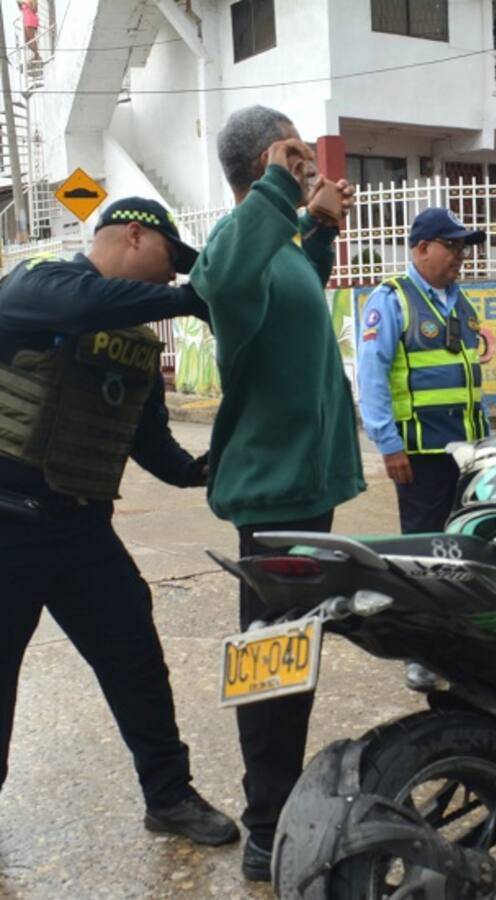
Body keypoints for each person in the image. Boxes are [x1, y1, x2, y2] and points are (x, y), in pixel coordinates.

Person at [0, 198, 237, 846]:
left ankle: (169, 797)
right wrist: (191, 300)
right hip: (7, 527)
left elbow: (150, 443)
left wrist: (201, 469)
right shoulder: (37, 283)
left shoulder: (134, 343)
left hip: (81, 534)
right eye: (167, 264)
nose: (169, 281)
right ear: (133, 235)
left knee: (136, 660)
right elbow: (83, 307)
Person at [187, 105, 365, 881]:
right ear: (267, 160)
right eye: (293, 151)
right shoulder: (236, 244)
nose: (307, 163)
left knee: (293, 661)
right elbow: (220, 278)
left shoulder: (279, 248)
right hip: (273, 495)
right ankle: (269, 830)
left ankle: (280, 809)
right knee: (273, 667)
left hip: (303, 486)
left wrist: (317, 233)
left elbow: (294, 299)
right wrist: (279, 193)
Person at [356, 206, 489, 537]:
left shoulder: (462, 303)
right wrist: (389, 445)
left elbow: (470, 381)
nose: (460, 256)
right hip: (422, 455)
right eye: (452, 246)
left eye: (464, 248)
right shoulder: (391, 299)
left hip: (469, 453)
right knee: (426, 546)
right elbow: (372, 377)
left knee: (467, 542)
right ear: (422, 248)